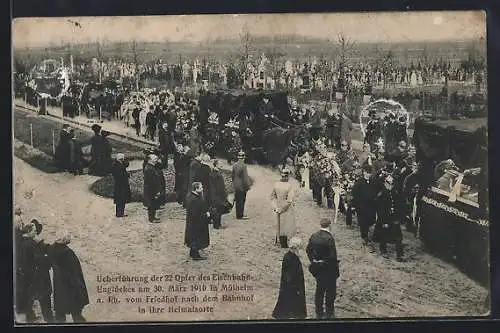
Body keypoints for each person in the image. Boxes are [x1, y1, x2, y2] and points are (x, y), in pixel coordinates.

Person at [16, 220, 54, 323]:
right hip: (37, 280)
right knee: (45, 304)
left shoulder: (20, 242)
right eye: (34, 231)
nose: (36, 232)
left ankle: (31, 318)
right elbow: (39, 261)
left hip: (26, 280)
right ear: (29, 232)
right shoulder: (31, 245)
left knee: (28, 303)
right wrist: (48, 261)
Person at [49, 232, 89, 323]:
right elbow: (74, 273)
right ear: (63, 240)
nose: (69, 238)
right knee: (77, 315)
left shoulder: (52, 249)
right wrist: (80, 289)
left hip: (59, 288)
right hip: (71, 289)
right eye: (68, 236)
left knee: (60, 314)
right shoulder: (68, 253)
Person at [306, 218, 340, 319]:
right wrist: (326, 263)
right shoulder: (329, 238)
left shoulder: (314, 236)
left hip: (318, 270)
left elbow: (308, 250)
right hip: (329, 270)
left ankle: (319, 311)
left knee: (319, 290)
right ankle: (329, 312)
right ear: (329, 226)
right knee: (330, 292)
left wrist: (314, 261)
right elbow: (333, 256)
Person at [272, 237, 307, 320]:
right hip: (291, 287)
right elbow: (289, 276)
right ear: (295, 247)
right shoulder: (289, 258)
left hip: (291, 287)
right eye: (298, 248)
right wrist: (296, 287)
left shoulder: (292, 256)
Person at [373, 175, 404, 261]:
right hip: (384, 218)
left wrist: (398, 218)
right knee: (384, 235)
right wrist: (383, 222)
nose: (390, 185)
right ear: (385, 183)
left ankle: (399, 254)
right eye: (388, 183)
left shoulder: (395, 193)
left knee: (398, 236)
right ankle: (383, 251)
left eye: (392, 184)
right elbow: (379, 209)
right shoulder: (381, 194)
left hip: (394, 217)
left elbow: (398, 206)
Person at [351, 164, 378, 244]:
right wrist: (354, 205)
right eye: (367, 172)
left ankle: (367, 233)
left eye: (370, 173)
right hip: (361, 206)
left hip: (371, 205)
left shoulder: (373, 181)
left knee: (370, 220)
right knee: (363, 222)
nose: (368, 174)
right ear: (364, 172)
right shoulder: (359, 182)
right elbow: (354, 194)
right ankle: (364, 236)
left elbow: (376, 190)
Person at [271, 168, 297, 248]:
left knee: (279, 224)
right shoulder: (289, 186)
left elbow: (272, 197)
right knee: (287, 224)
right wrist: (282, 209)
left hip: (278, 206)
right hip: (286, 208)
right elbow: (289, 200)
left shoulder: (276, 184)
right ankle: (285, 243)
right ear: (287, 176)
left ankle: (279, 240)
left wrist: (275, 207)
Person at [184, 182, 211, 260]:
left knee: (193, 238)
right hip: (196, 223)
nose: (202, 189)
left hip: (192, 223)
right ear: (196, 189)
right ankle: (195, 255)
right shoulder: (194, 199)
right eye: (201, 187)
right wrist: (206, 215)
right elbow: (196, 213)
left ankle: (193, 252)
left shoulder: (191, 197)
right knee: (197, 237)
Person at [208, 159, 231, 229]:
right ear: (216, 165)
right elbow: (220, 187)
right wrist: (224, 195)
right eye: (220, 164)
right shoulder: (217, 175)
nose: (221, 165)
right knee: (218, 209)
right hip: (218, 195)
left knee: (217, 209)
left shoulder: (213, 173)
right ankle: (217, 225)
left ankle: (217, 224)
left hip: (214, 194)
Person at [143, 154, 163, 223]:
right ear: (150, 160)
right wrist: (157, 190)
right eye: (155, 159)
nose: (156, 160)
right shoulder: (149, 169)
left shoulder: (151, 167)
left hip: (151, 189)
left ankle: (153, 217)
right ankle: (152, 218)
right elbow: (152, 181)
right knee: (151, 204)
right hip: (151, 189)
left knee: (153, 203)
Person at [232, 151, 252, 220]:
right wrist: (248, 186)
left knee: (237, 200)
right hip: (242, 186)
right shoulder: (244, 166)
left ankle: (238, 214)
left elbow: (233, 176)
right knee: (242, 200)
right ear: (243, 158)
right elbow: (245, 177)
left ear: (238, 157)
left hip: (236, 185)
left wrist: (234, 183)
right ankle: (240, 215)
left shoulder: (234, 165)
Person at [111, 153, 131, 218]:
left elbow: (126, 165)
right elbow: (120, 175)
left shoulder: (117, 164)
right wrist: (127, 174)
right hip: (121, 185)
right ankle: (120, 213)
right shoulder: (118, 165)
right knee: (121, 199)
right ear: (121, 159)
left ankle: (119, 213)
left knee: (120, 199)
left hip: (119, 185)